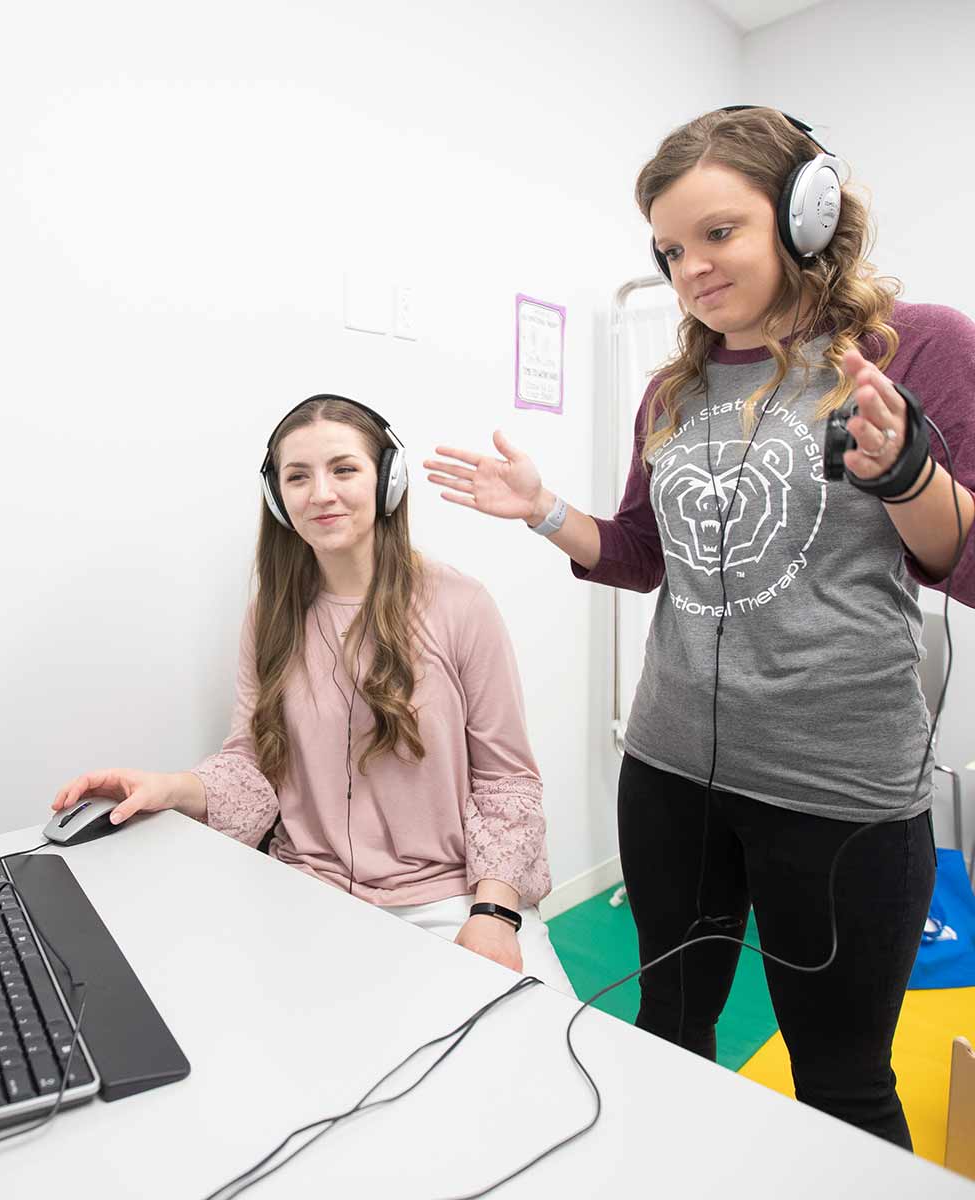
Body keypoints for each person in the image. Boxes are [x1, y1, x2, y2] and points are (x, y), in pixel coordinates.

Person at [422, 106, 975, 1146]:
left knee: (844, 1088)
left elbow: (966, 564)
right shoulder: (671, 392)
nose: (692, 270)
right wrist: (543, 509)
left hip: (843, 793)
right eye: (671, 250)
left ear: (807, 216)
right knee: (666, 1036)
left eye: (718, 233)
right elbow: (640, 556)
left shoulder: (914, 346)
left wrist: (907, 475)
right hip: (672, 772)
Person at [52, 394, 574, 995]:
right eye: (298, 477)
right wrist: (169, 789)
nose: (321, 494)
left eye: (343, 469)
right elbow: (253, 767)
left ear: (387, 481)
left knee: (542, 1036)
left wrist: (495, 915)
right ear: (278, 497)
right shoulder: (270, 616)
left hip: (450, 898)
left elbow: (507, 783)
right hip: (305, 889)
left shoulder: (461, 605)